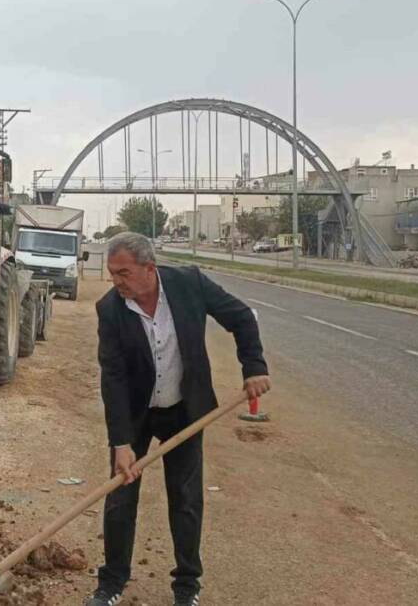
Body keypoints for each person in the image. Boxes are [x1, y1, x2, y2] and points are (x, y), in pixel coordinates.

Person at [86, 232, 272, 606]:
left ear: (149, 268)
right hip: (137, 416)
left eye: (123, 272)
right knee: (120, 499)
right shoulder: (110, 309)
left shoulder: (189, 284)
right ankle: (112, 582)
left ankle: (187, 587)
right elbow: (114, 378)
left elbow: (241, 317)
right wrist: (120, 443)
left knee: (186, 500)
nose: (116, 281)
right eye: (112, 273)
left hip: (184, 412)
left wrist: (253, 366)